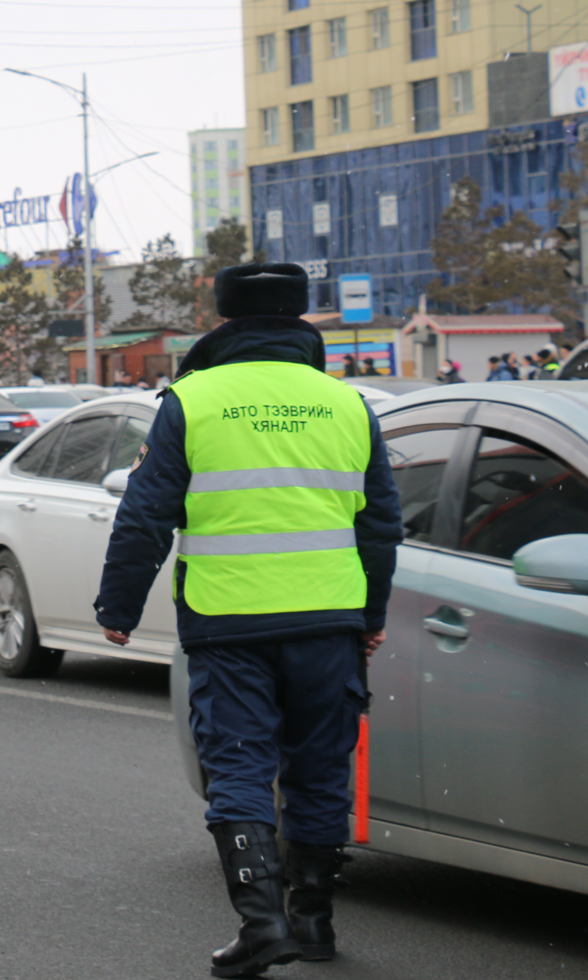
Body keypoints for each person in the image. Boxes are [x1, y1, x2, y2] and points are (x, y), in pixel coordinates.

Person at [94, 263, 402, 976]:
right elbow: (381, 524)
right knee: (321, 768)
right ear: (300, 324)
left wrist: (118, 606)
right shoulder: (346, 404)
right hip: (329, 617)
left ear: (225, 323)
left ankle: (261, 923)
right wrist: (372, 613)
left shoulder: (192, 401)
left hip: (229, 618)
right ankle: (314, 921)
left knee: (238, 763)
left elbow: (145, 515)